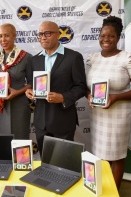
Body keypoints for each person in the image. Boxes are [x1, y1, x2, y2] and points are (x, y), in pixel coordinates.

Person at [85, 16, 131, 190]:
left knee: (116, 156)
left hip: (118, 116)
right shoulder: (92, 58)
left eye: (111, 36)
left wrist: (115, 98)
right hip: (97, 115)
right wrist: (89, 95)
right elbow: (85, 86)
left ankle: (114, 194)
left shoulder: (128, 57)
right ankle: (101, 189)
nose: (106, 39)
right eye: (103, 36)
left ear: (118, 38)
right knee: (100, 155)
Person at [25, 21, 87, 156]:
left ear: (58, 35)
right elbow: (31, 82)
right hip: (41, 122)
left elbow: (81, 87)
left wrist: (63, 97)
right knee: (45, 163)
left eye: (47, 33)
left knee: (63, 164)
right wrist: (28, 90)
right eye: (40, 34)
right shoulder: (34, 60)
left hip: (63, 121)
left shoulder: (73, 57)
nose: (43, 37)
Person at [0, 23, 32, 139]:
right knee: (4, 140)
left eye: (7, 35)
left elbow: (32, 83)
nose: (3, 39)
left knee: (20, 140)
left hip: (19, 104)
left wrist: (17, 92)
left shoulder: (26, 57)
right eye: (0, 36)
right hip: (0, 106)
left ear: (14, 36)